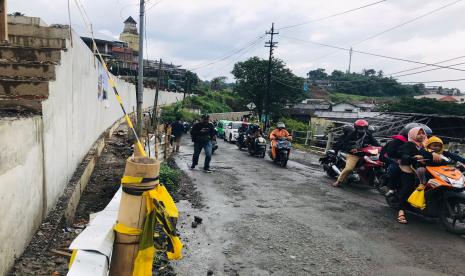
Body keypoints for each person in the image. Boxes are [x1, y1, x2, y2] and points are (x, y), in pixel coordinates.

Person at [396, 127, 442, 224]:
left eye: (423, 133)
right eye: (419, 133)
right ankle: (401, 211)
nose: (422, 135)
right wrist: (412, 157)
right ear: (413, 134)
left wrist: (434, 154)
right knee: (407, 188)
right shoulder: (409, 144)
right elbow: (402, 154)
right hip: (409, 167)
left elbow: (434, 153)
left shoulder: (425, 145)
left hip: (424, 169)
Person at [332, 119, 380, 187]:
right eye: (360, 127)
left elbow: (375, 142)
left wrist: (381, 147)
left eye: (364, 127)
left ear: (366, 127)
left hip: (365, 154)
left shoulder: (368, 135)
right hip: (354, 155)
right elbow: (345, 144)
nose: (362, 129)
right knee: (349, 168)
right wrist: (351, 149)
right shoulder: (352, 134)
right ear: (356, 127)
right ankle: (338, 181)